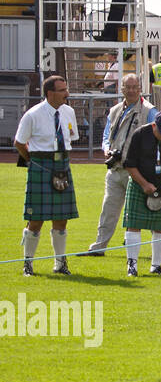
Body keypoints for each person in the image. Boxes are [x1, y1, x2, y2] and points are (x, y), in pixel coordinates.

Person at [15, 76, 79, 276]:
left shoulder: (69, 112)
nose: (66, 94)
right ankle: (28, 263)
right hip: (40, 164)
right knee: (36, 219)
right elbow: (19, 142)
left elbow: (71, 138)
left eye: (66, 89)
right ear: (50, 93)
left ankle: (60, 264)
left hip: (62, 164)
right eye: (62, 90)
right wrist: (32, 161)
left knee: (61, 219)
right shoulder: (32, 114)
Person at [87, 73, 157, 256]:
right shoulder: (115, 110)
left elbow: (158, 138)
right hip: (115, 169)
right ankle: (99, 247)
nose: (132, 90)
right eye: (129, 87)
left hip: (137, 171)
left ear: (140, 89)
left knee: (145, 210)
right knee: (108, 209)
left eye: (135, 87)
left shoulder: (149, 111)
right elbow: (106, 136)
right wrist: (106, 149)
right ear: (122, 89)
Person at [121, 111, 161, 276]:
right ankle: (132, 266)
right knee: (133, 225)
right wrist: (144, 184)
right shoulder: (140, 135)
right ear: (154, 125)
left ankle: (156, 266)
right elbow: (129, 165)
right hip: (139, 184)